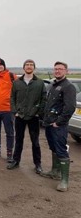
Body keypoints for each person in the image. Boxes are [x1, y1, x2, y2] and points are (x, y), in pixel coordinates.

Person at [40, 61, 76, 192]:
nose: (57, 71)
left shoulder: (68, 86)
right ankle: (54, 171)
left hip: (58, 126)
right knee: (53, 148)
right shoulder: (53, 85)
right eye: (56, 69)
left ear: (66, 71)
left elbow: (70, 108)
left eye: (60, 69)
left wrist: (59, 122)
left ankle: (64, 181)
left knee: (61, 150)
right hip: (49, 123)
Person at [7, 59, 46, 174]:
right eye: (27, 65)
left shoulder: (39, 83)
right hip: (20, 116)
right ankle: (15, 160)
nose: (29, 67)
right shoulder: (17, 82)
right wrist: (15, 111)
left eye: (31, 65)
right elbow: (12, 98)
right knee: (18, 140)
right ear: (23, 68)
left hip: (33, 116)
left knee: (35, 142)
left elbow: (44, 99)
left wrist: (39, 112)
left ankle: (37, 164)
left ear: (34, 68)